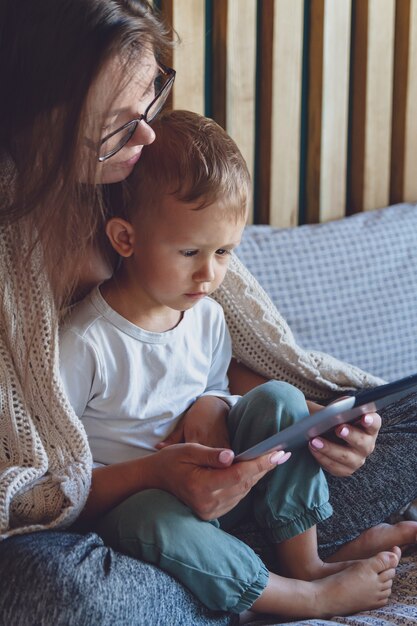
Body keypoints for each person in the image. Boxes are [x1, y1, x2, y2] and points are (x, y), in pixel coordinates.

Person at [0, 1, 415, 624]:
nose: (146, 135)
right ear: (38, 122)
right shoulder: (32, 262)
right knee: (55, 588)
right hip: (106, 520)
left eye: (151, 102)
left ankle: (263, 561)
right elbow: (35, 489)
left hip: (232, 476)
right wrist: (160, 475)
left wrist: (311, 427)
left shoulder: (153, 177)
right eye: (116, 125)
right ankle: (260, 580)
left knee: (398, 412)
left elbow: (234, 365)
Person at [59, 109, 408, 619]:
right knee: (151, 518)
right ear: (124, 238)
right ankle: (301, 597)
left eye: (224, 251)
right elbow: (58, 484)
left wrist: (214, 403)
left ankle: (305, 561)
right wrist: (157, 473)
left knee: (282, 400)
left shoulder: (207, 318)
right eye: (189, 251)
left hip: (228, 490)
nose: (209, 273)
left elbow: (217, 388)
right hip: (141, 509)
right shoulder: (85, 342)